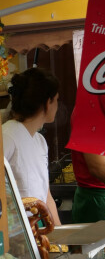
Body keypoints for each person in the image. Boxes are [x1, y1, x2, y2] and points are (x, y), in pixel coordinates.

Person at [3, 67, 61, 225]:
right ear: (47, 103)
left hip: (39, 222)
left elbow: (45, 194)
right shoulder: (7, 135)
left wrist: (60, 236)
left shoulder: (40, 141)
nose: (57, 105)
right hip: (16, 227)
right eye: (56, 99)